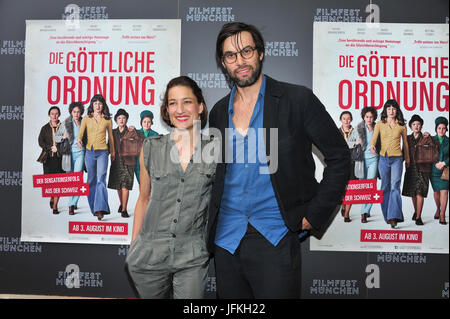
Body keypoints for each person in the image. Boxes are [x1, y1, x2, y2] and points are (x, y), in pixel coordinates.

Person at [207, 22, 350, 299]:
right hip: (226, 240)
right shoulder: (218, 112)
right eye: (231, 55)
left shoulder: (297, 100)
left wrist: (314, 213)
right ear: (223, 63)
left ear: (260, 53)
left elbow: (339, 157)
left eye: (246, 50)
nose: (240, 61)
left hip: (275, 237)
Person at [126, 76, 216, 299]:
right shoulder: (151, 148)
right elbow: (143, 198)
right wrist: (133, 247)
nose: (180, 109)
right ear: (166, 110)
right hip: (149, 253)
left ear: (200, 106)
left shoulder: (216, 151)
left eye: (187, 101)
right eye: (173, 103)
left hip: (192, 255)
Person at [370, 99, 409, 228]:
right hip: (383, 158)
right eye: (389, 109)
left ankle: (394, 216)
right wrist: (372, 146)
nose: (391, 111)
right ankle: (387, 214)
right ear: (385, 110)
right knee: (384, 187)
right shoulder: (380, 124)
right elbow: (374, 139)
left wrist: (407, 159)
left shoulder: (402, 125)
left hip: (397, 159)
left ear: (396, 110)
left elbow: (406, 145)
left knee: (395, 186)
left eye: (393, 108)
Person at [77, 94, 115, 221]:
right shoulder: (86, 119)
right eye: (95, 104)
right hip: (89, 152)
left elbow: (111, 137)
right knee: (91, 180)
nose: (97, 106)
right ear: (92, 105)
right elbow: (81, 134)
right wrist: (78, 140)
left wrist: (113, 152)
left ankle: (100, 209)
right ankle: (94, 207)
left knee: (101, 179)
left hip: (103, 152)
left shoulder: (108, 120)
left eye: (99, 104)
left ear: (103, 105)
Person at [54, 102, 87, 215]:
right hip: (68, 154)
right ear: (71, 112)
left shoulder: (84, 122)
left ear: (81, 112)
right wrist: (63, 137)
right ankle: (73, 201)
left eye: (78, 111)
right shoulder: (66, 123)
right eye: (74, 112)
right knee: (70, 180)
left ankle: (71, 204)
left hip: (81, 152)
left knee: (77, 177)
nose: (76, 114)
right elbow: (56, 138)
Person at [401, 115, 433, 226]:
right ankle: (416, 211)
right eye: (414, 124)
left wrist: (430, 138)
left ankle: (419, 217)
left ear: (421, 126)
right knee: (413, 193)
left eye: (418, 124)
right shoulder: (407, 138)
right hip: (411, 168)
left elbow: (434, 149)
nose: (416, 126)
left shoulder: (425, 137)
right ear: (410, 126)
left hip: (423, 169)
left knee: (420, 192)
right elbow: (403, 152)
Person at [107, 109, 136, 218]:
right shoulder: (113, 132)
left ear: (126, 119)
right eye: (119, 118)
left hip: (128, 162)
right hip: (116, 162)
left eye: (123, 118)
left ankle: (124, 209)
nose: (121, 120)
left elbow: (137, 143)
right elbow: (108, 145)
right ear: (116, 120)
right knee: (118, 186)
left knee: (125, 186)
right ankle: (122, 203)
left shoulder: (131, 131)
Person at [38, 106, 64, 214]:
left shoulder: (64, 127)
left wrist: (58, 148)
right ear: (49, 115)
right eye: (52, 113)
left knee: (58, 183)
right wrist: (50, 148)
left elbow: (68, 141)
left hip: (59, 158)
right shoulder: (44, 128)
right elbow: (40, 141)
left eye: (56, 113)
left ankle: (55, 206)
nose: (54, 116)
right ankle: (52, 197)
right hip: (48, 158)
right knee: (49, 182)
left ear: (59, 115)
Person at [356, 106, 379, 223]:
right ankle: (366, 209)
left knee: (371, 184)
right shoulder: (359, 127)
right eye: (367, 117)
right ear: (363, 117)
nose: (369, 119)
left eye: (371, 117)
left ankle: (364, 212)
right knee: (363, 187)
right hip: (361, 160)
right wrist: (356, 142)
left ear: (374, 117)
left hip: (374, 159)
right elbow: (349, 142)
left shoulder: (378, 127)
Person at [339, 111, 360, 223]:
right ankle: (343, 205)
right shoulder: (336, 132)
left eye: (348, 118)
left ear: (351, 120)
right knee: (343, 188)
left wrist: (359, 143)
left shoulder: (356, 132)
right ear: (341, 120)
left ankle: (347, 214)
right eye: (344, 118)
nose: (346, 121)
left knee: (351, 189)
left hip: (353, 163)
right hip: (341, 164)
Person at [430, 116, 449, 225]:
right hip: (434, 171)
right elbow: (427, 154)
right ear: (436, 129)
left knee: (444, 191)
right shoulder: (431, 140)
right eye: (439, 128)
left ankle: (442, 214)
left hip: (446, 170)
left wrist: (444, 162)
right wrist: (436, 162)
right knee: (436, 192)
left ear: (446, 129)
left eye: (444, 128)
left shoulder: (448, 141)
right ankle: (438, 208)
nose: (441, 130)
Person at [134, 110, 159, 184]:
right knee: (142, 185)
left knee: (150, 186)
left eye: (148, 122)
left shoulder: (155, 134)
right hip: (138, 164)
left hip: (151, 164)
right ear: (141, 122)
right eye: (144, 122)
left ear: (151, 123)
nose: (146, 124)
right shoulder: (136, 133)